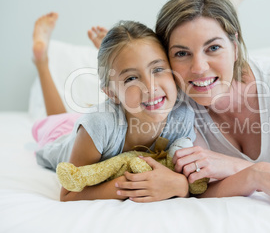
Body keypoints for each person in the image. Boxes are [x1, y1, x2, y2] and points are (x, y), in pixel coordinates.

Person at [143, 0, 270, 209]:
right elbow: (199, 190)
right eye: (182, 53)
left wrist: (235, 167)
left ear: (235, 47)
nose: (199, 68)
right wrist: (255, 174)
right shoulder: (176, 104)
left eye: (214, 48)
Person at [32, 13, 195, 202]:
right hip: (67, 136)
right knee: (57, 120)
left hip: (109, 116)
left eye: (158, 69)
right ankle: (42, 63)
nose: (150, 87)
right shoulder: (98, 126)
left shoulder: (182, 115)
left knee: (78, 115)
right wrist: (134, 186)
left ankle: (116, 57)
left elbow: (191, 181)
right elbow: (68, 194)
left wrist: (180, 185)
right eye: (131, 78)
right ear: (111, 94)